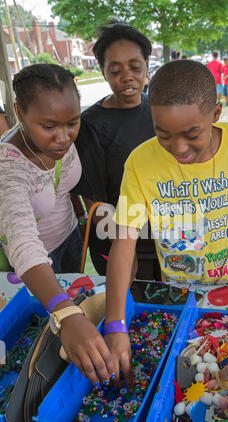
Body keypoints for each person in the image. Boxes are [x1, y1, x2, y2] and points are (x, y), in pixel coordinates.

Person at [103, 59, 228, 386]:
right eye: (162, 134)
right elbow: (123, 245)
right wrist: (115, 324)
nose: (178, 148)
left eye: (192, 134)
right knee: (195, 380)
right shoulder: (140, 163)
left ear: (216, 113)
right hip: (184, 296)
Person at [0, 63, 114, 386]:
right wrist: (65, 312)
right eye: (49, 126)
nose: (63, 138)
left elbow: (67, 185)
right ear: (20, 112)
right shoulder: (8, 169)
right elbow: (22, 244)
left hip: (70, 239)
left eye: (72, 123)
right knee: (47, 337)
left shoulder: (60, 139)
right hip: (34, 267)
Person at [73, 22, 161, 281]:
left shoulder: (159, 110)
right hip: (120, 243)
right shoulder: (90, 125)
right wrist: (123, 248)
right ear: (102, 72)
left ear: (146, 64)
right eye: (115, 70)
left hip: (168, 242)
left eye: (135, 67)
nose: (127, 77)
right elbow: (93, 202)